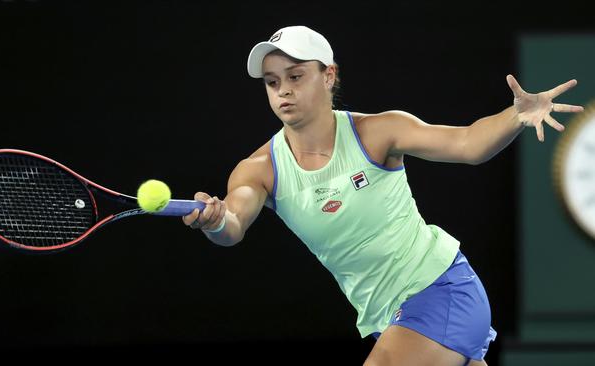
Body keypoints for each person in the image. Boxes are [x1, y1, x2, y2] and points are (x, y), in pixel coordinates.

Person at [181, 25, 583, 366]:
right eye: (272, 83)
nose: (283, 91)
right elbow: (233, 223)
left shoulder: (379, 131)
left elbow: (468, 144)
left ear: (328, 76)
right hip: (388, 317)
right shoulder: (259, 169)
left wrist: (516, 116)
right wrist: (215, 221)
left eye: (295, 76)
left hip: (440, 288)